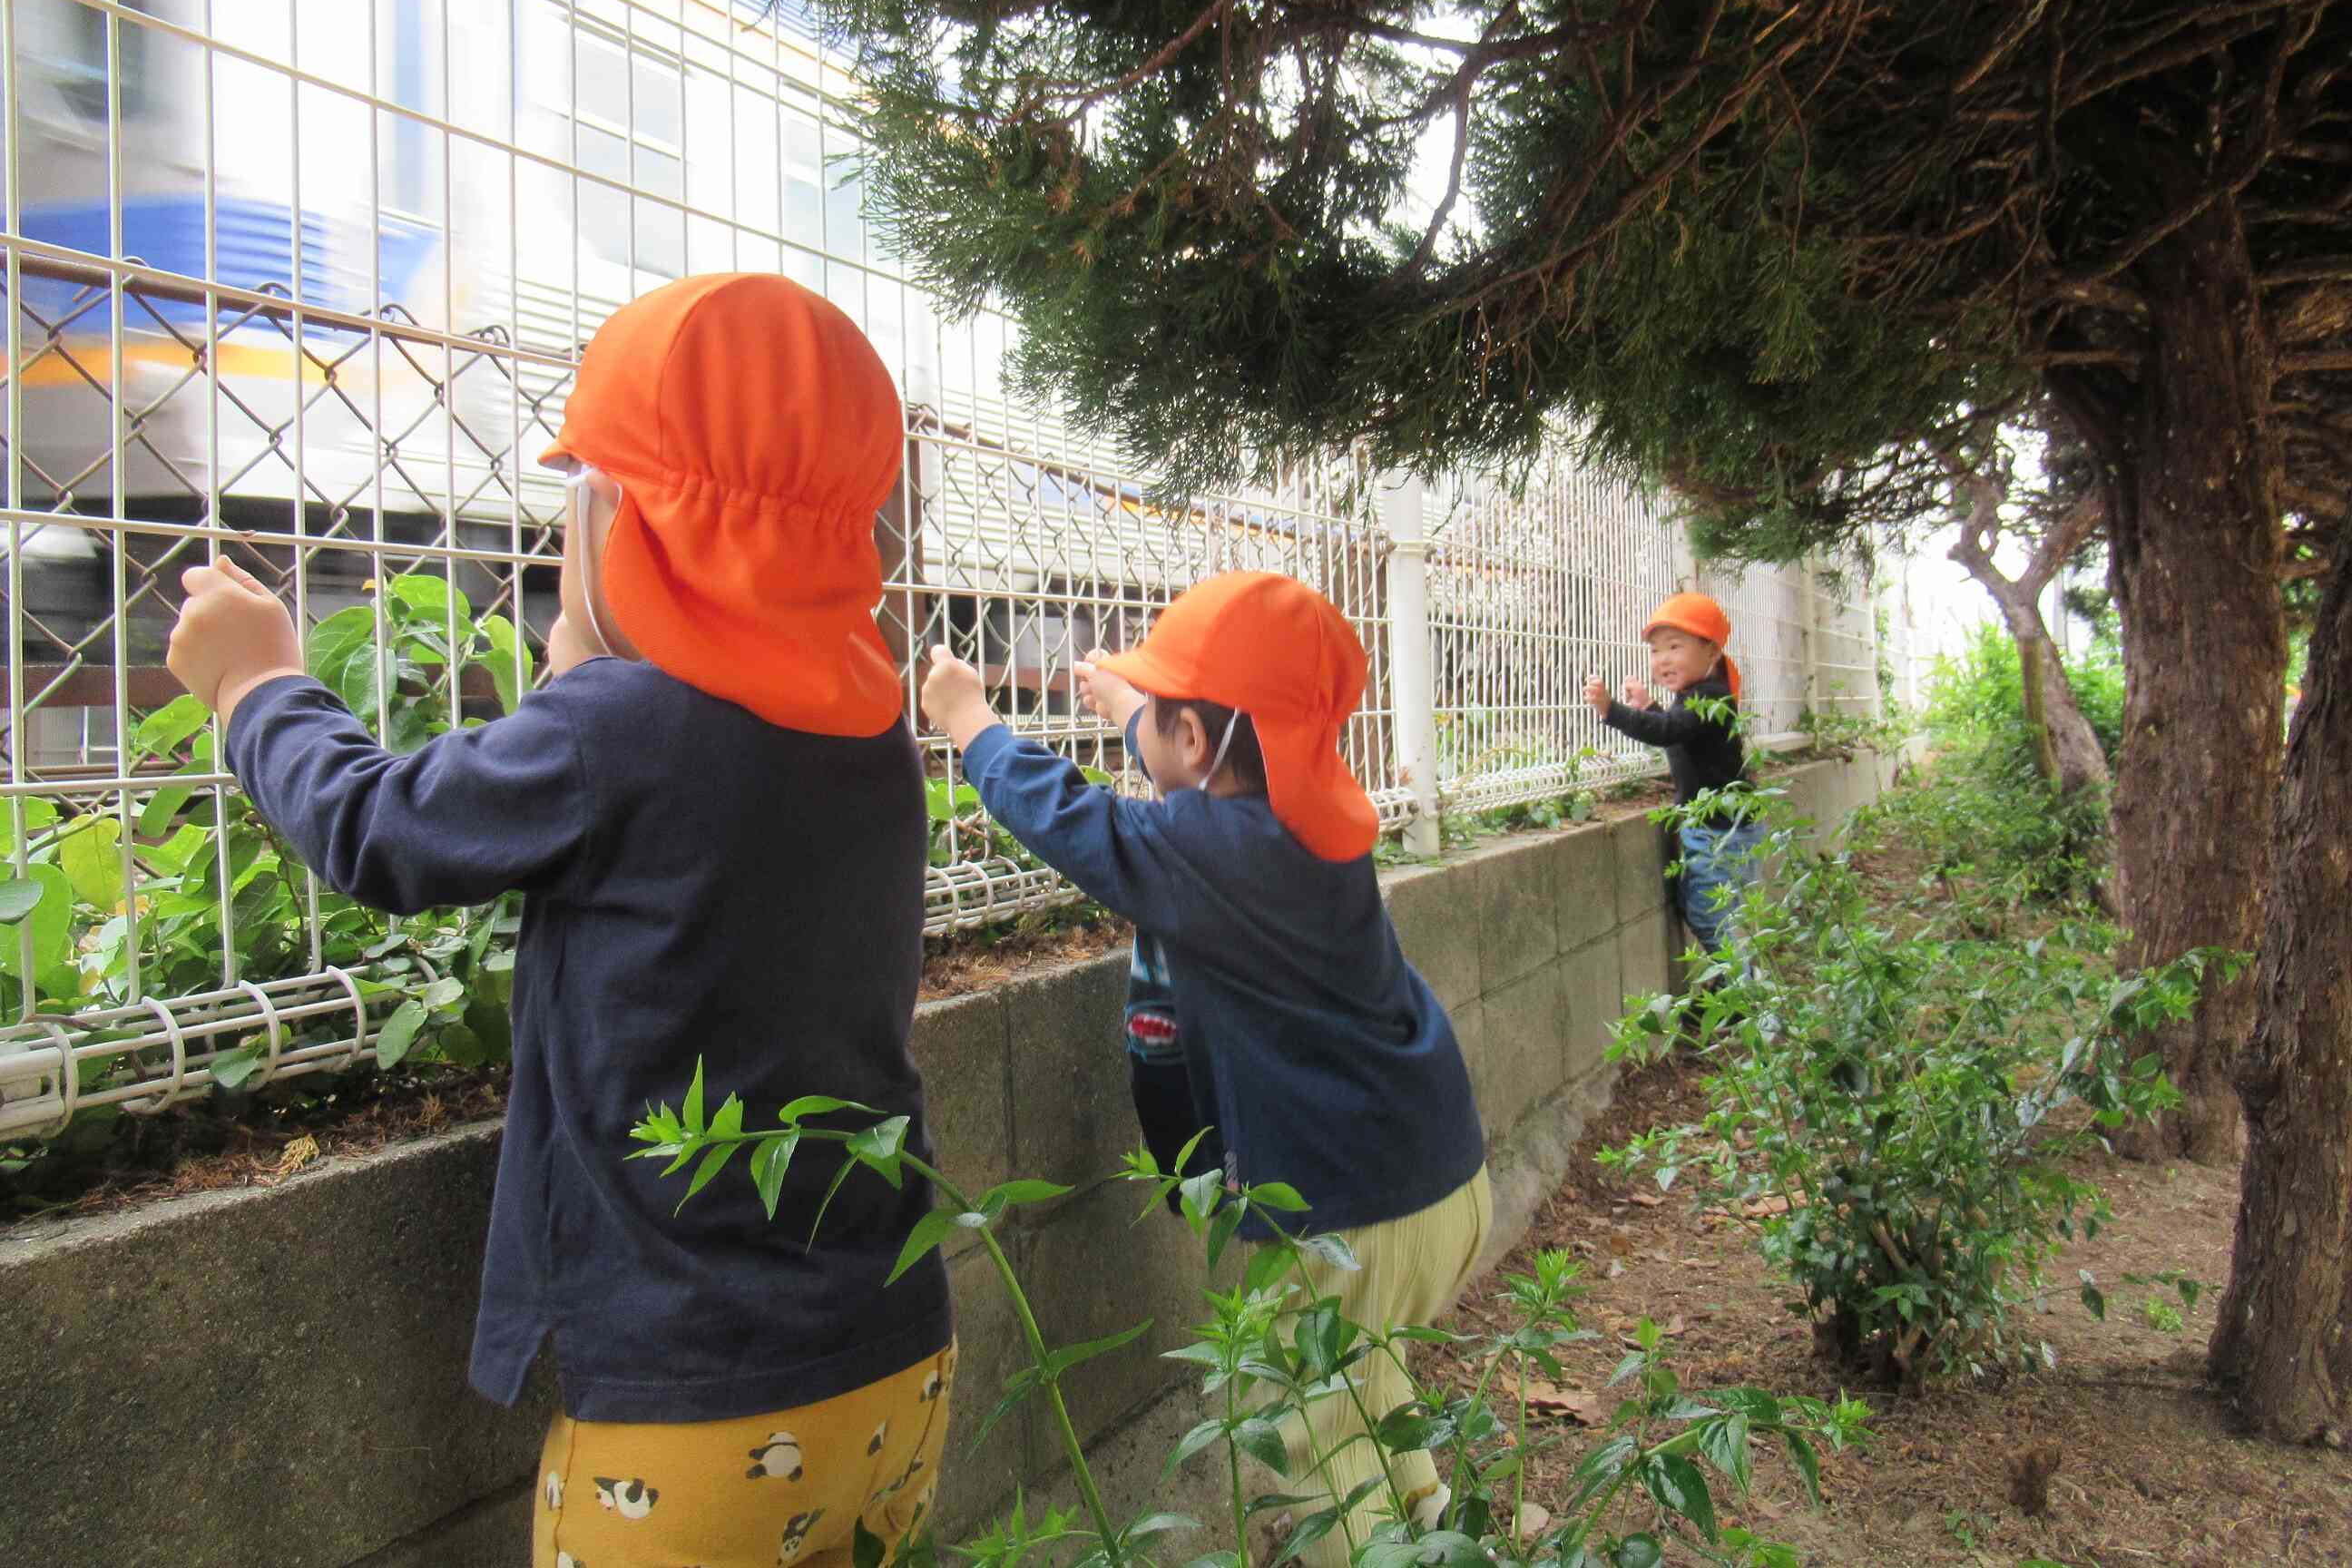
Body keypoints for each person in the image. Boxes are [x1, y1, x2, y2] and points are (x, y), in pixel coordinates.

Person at [166, 273, 955, 1568]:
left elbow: (382, 831)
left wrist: (259, 685)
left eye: (578, 502)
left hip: (693, 1417)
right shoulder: (874, 738)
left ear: (629, 525)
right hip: (894, 1358)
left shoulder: (615, 734)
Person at [918, 571, 1493, 1564]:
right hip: (1440, 1179)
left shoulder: (1202, 850)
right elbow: (1223, 747)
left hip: (1340, 1214)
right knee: (1360, 1374)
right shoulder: (1315, 824)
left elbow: (1076, 822)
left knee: (1303, 1419)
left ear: (1193, 744)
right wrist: (1143, 704)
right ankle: (1430, 1523)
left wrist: (972, 723)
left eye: (1161, 714)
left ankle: (1367, 1551)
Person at [1583, 592, 1759, 956]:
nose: (1662, 659)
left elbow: (1667, 732)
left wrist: (1610, 709)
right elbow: (1680, 733)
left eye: (1674, 647)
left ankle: (1748, 1000)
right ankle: (1734, 991)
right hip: (1717, 827)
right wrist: (1649, 706)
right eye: (1654, 651)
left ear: (1711, 652)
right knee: (1704, 911)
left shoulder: (1711, 697)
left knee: (1712, 920)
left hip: (1720, 833)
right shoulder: (1702, 693)